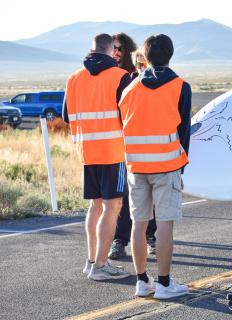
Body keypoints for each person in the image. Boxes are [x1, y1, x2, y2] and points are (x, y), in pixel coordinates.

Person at [119, 34, 192, 299]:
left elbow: (122, 125)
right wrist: (182, 168)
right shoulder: (180, 86)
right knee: (164, 224)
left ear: (145, 56)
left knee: (138, 223)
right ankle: (163, 284)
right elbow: (184, 132)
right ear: (170, 54)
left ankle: (142, 282)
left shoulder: (129, 89)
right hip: (167, 164)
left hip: (136, 166)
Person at [62, 33, 132, 280]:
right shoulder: (121, 77)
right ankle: (101, 266)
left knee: (95, 206)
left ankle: (91, 260)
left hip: (87, 151)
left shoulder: (73, 78)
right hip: (113, 151)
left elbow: (66, 116)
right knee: (113, 207)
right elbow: (129, 116)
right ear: (113, 50)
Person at [108, 35, 157, 260]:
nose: (115, 52)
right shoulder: (112, 77)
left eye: (119, 48)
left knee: (145, 194)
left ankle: (150, 236)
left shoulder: (136, 76)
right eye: (112, 48)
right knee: (123, 197)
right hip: (115, 147)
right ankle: (120, 239)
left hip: (140, 148)